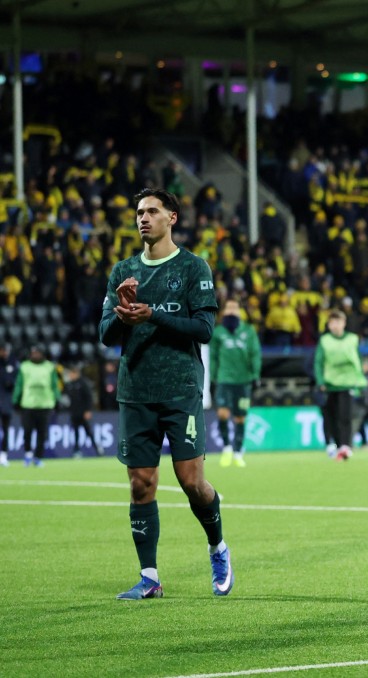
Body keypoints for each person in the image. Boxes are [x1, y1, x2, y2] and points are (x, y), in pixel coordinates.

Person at [99, 187, 230, 600]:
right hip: (135, 390)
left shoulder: (194, 268)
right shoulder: (122, 272)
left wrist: (152, 313)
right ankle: (150, 577)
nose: (143, 218)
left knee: (192, 482)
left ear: (171, 217)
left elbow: (204, 329)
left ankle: (218, 546)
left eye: (152, 211)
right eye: (139, 212)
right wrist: (123, 316)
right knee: (141, 484)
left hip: (180, 389)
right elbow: (106, 335)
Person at [210, 297, 262, 468]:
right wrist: (212, 378)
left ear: (240, 311)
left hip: (243, 380)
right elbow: (213, 357)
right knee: (223, 414)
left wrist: (255, 375)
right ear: (224, 312)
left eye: (235, 308)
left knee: (240, 417)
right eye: (229, 308)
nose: (232, 311)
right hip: (224, 379)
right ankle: (226, 447)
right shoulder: (218, 332)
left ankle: (238, 452)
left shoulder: (249, 331)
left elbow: (255, 353)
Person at [314, 309, 367, 461]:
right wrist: (320, 381)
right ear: (329, 325)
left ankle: (345, 445)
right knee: (330, 416)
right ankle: (335, 444)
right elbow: (319, 362)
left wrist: (360, 380)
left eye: (338, 322)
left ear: (344, 323)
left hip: (348, 383)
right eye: (332, 322)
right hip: (330, 384)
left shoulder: (352, 339)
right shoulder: (324, 341)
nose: (336, 325)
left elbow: (358, 360)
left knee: (345, 416)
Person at [14, 345, 61, 467]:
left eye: (37, 353)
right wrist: (16, 399)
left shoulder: (50, 367)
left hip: (45, 404)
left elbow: (54, 384)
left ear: (42, 354)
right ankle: (28, 454)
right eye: (33, 353)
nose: (35, 355)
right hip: (28, 404)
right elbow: (19, 384)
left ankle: (38, 457)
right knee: (27, 432)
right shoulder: (24, 366)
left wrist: (57, 399)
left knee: (42, 433)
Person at [64, 364, 104, 458]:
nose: (70, 376)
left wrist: (88, 410)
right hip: (74, 413)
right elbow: (67, 398)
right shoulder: (69, 385)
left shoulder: (83, 383)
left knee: (89, 432)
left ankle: (97, 449)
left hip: (83, 413)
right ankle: (76, 451)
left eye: (72, 374)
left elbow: (89, 398)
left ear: (76, 373)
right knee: (76, 432)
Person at [0, 344, 19, 467]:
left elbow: (16, 382)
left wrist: (10, 383)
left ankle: (3, 455)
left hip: (6, 402)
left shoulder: (12, 364)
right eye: (3, 350)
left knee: (6, 430)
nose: (5, 352)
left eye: (6, 350)